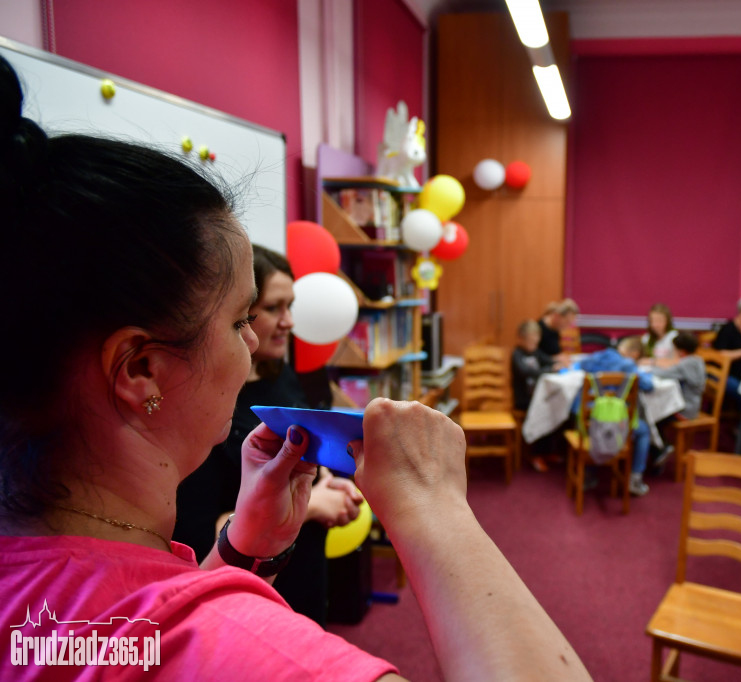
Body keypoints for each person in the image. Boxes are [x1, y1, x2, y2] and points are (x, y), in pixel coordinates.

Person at [0, 56, 590, 681]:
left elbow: (131, 641)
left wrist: (241, 551)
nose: (254, 343)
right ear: (141, 369)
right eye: (237, 321)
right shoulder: (257, 655)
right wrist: (436, 509)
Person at [173, 245, 363, 626]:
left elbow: (300, 453)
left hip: (302, 571)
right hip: (244, 599)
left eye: (291, 306)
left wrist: (325, 483)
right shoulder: (210, 407)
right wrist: (311, 506)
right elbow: (195, 539)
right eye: (274, 308)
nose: (289, 321)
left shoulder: (283, 376)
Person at [578, 337, 654, 496]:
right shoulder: (628, 365)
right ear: (634, 354)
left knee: (592, 427)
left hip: (590, 421)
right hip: (617, 423)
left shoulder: (599, 355)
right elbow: (648, 385)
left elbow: (580, 365)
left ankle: (589, 473)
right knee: (644, 430)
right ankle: (635, 478)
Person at [510, 320, 560, 472]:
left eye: (536, 340)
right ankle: (535, 454)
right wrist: (548, 369)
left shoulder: (536, 352)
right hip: (523, 399)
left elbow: (550, 361)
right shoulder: (516, 355)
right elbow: (525, 371)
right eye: (531, 341)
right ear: (521, 339)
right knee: (543, 411)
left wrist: (554, 364)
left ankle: (547, 452)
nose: (534, 344)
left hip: (537, 397)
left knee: (554, 408)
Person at [647, 332, 705, 421]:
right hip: (694, 405)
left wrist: (649, 367)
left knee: (653, 413)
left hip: (685, 410)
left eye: (674, 349)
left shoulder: (685, 364)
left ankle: (659, 434)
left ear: (681, 352)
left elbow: (663, 373)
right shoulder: (697, 360)